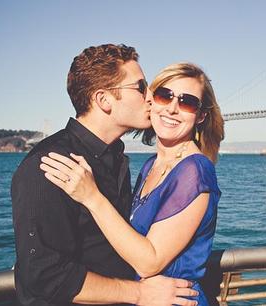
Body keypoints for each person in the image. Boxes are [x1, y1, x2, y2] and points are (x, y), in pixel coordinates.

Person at [11, 44, 198, 306]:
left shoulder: (115, 157)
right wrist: (140, 293)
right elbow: (45, 276)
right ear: (103, 100)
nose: (150, 97)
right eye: (140, 87)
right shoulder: (49, 165)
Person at [39, 62, 224, 305]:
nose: (172, 108)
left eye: (187, 102)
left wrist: (91, 197)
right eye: (164, 96)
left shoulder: (195, 171)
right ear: (151, 101)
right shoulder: (150, 166)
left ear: (200, 116)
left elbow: (150, 261)